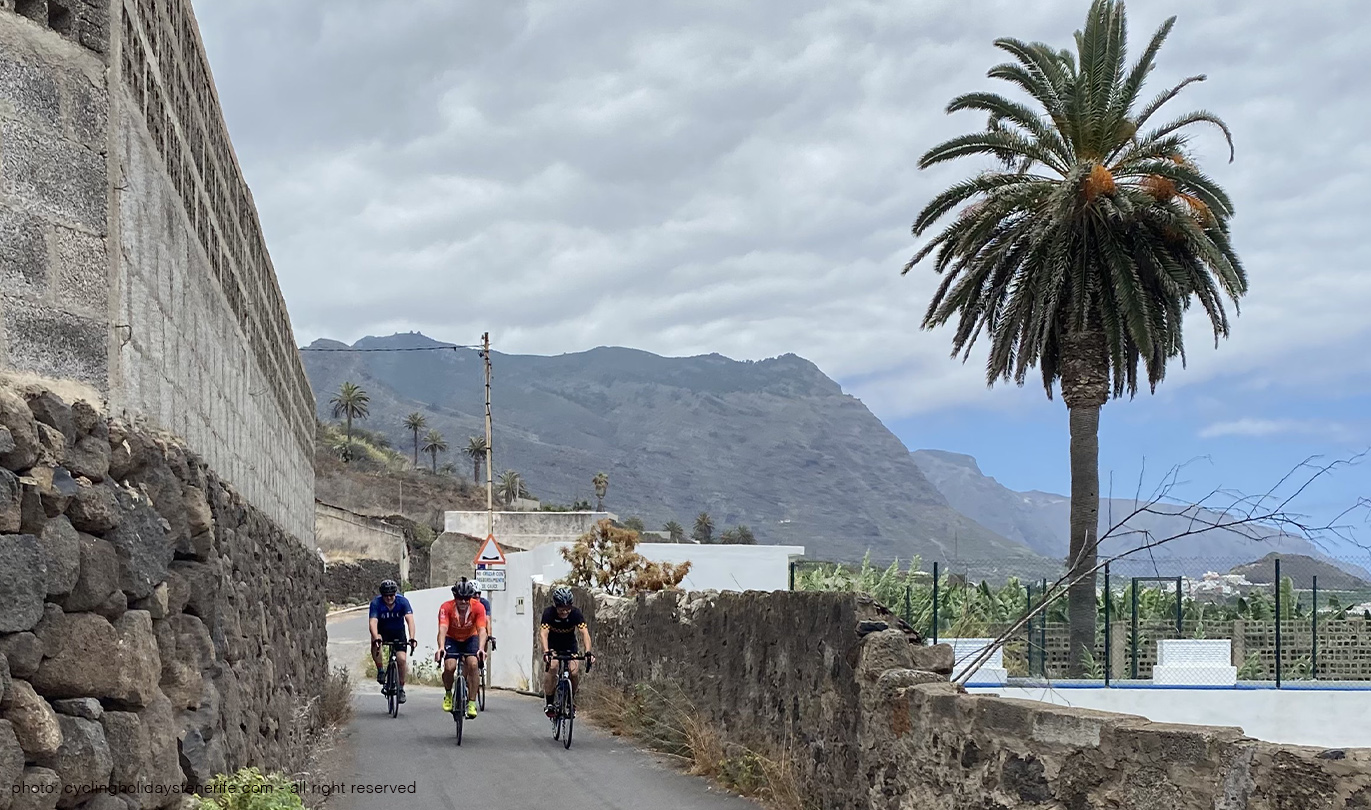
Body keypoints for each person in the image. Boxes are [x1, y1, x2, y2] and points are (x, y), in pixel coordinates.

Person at [539, 585, 594, 718]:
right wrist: (546, 652)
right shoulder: (549, 613)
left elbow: (584, 633)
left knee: (574, 672)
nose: (565, 612)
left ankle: (570, 700)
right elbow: (543, 634)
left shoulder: (575, 613)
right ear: (555, 606)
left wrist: (588, 652)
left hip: (569, 645)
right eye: (561, 609)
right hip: (553, 645)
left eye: (567, 608)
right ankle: (550, 702)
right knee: (553, 667)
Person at [435, 580, 487, 719]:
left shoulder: (478, 607)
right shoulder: (446, 607)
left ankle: (471, 702)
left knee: (473, 664)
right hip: (451, 637)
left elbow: (482, 630)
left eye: (466, 599)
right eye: (460, 598)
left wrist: (481, 648)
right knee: (450, 666)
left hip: (470, 637)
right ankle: (448, 693)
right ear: (455, 597)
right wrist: (441, 647)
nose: (463, 602)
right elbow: (443, 628)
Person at [368, 580, 416, 703]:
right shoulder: (376, 603)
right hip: (382, 632)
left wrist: (412, 637)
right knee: (375, 641)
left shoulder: (403, 601)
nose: (389, 598)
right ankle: (380, 670)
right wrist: (376, 637)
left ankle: (401, 688)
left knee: (402, 659)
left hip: (398, 632)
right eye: (386, 596)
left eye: (391, 595)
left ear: (395, 594)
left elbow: (410, 620)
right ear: (382, 595)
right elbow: (373, 622)